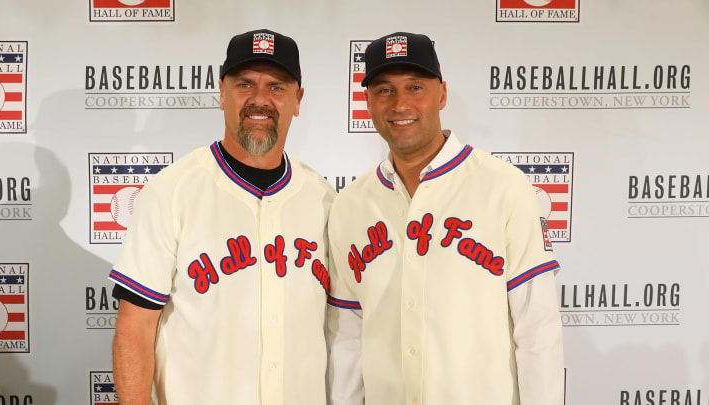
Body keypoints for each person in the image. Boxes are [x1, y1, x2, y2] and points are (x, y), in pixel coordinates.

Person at [326, 32, 564, 405]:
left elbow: (538, 327)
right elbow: (347, 336)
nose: (400, 103)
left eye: (415, 87)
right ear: (368, 101)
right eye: (385, 90)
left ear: (442, 94)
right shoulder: (349, 204)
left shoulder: (503, 187)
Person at [109, 29, 335, 405]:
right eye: (245, 84)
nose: (260, 99)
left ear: (298, 99)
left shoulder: (323, 198)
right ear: (222, 92)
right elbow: (135, 327)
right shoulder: (173, 190)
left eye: (277, 87)